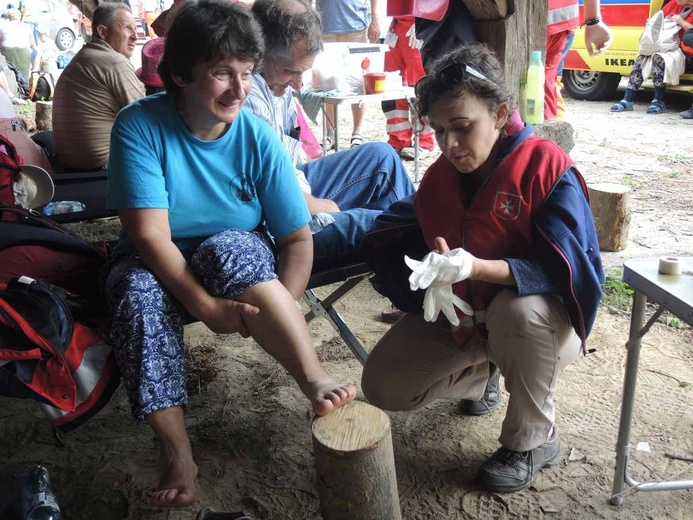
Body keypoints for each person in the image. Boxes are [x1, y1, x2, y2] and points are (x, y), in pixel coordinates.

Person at [104, 0, 356, 508]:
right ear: (179, 74)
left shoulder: (257, 136)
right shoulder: (139, 127)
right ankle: (177, 453)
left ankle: (313, 377)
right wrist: (207, 309)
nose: (240, 90)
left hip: (232, 258)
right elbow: (152, 236)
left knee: (232, 246)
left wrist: (278, 307)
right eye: (221, 74)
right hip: (157, 261)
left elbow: (296, 239)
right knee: (134, 292)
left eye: (246, 73)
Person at [361, 43, 604, 493]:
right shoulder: (440, 179)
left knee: (518, 313)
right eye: (438, 130)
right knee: (385, 387)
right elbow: (398, 225)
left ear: (499, 114)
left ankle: (532, 440)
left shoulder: (545, 168)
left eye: (462, 127)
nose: (449, 144)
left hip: (541, 325)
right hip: (470, 320)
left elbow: (569, 271)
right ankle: (483, 376)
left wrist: (475, 267)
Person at [246, 0, 415, 266]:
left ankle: (401, 269)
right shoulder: (247, 96)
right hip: (275, 226)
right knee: (401, 222)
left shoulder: (276, 84)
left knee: (382, 157)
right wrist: (325, 207)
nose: (299, 83)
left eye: (303, 71)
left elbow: (290, 166)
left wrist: (318, 200)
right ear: (259, 51)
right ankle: (413, 284)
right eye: (290, 71)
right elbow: (268, 196)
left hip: (293, 186)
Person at [52, 2, 145, 170]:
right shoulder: (114, 62)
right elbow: (146, 121)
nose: (135, 36)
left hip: (68, 163)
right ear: (103, 32)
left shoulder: (85, 56)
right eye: (127, 28)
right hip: (103, 165)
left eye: (135, 28)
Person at [315, 0, 381, 148]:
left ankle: (358, 132)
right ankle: (330, 134)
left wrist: (375, 20)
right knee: (326, 83)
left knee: (359, 83)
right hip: (325, 28)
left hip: (356, 27)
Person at [610, 0, 693, 114]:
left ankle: (658, 100)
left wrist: (681, 21)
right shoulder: (673, 3)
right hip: (664, 45)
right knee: (642, 58)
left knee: (659, 58)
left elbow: (691, 33)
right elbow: (658, 19)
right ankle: (627, 99)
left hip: (682, 48)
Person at [380, 15, 434, 160]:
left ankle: (424, 141)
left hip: (418, 23)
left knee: (419, 84)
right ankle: (398, 139)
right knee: (392, 83)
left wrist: (425, 23)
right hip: (396, 26)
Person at [0, 8, 36, 78]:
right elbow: (33, 44)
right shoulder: (27, 27)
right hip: (23, 52)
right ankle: (34, 71)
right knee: (37, 51)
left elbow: (0, 42)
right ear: (19, 17)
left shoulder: (3, 26)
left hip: (7, 52)